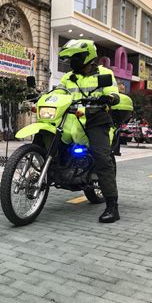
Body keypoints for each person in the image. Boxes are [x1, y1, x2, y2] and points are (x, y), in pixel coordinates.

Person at [58, 39, 121, 223]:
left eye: (76, 57)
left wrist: (109, 98)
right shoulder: (68, 77)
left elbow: (113, 91)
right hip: (71, 121)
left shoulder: (104, 73)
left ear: (87, 57)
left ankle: (112, 206)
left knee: (102, 158)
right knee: (45, 138)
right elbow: (59, 93)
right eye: (71, 58)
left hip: (96, 120)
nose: (72, 62)